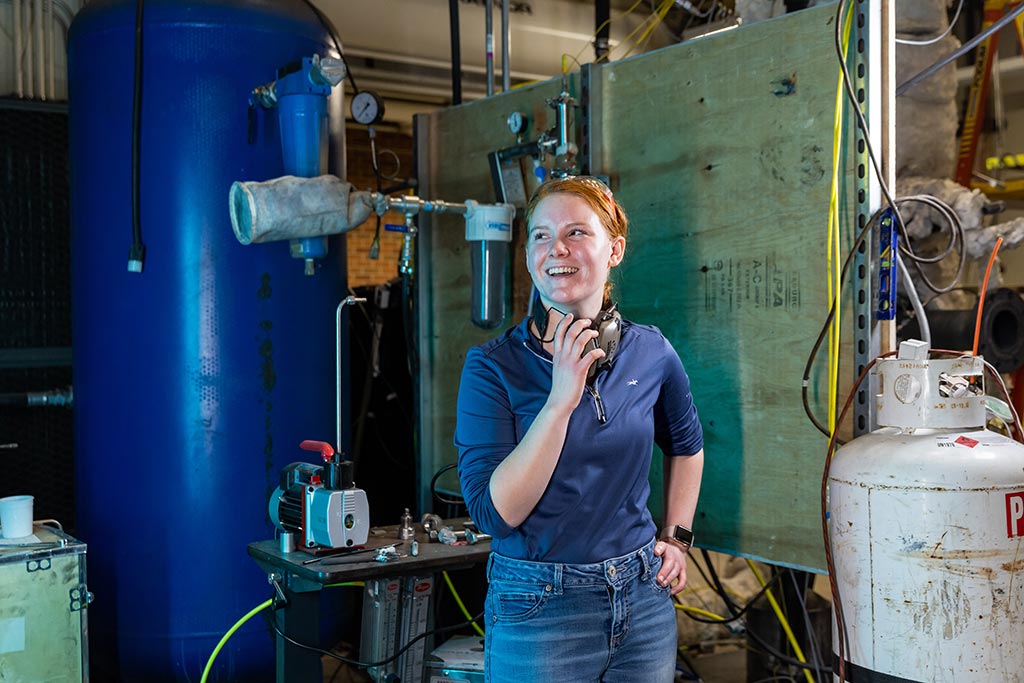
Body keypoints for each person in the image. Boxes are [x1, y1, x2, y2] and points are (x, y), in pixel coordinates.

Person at [455, 175, 705, 683]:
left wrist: (676, 538)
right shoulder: (492, 368)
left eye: (576, 233)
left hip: (642, 598)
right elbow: (494, 513)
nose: (556, 249)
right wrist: (560, 401)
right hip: (539, 606)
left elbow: (688, 446)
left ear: (614, 249)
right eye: (541, 236)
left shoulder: (651, 352)